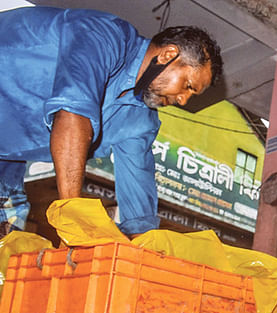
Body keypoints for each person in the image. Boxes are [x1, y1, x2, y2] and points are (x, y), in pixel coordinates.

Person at [0, 6, 223, 237]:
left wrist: (144, 253)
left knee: (8, 241)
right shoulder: (104, 35)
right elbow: (73, 113)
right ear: (168, 55)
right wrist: (73, 216)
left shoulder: (140, 120)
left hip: (6, 161)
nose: (183, 100)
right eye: (188, 85)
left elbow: (139, 214)